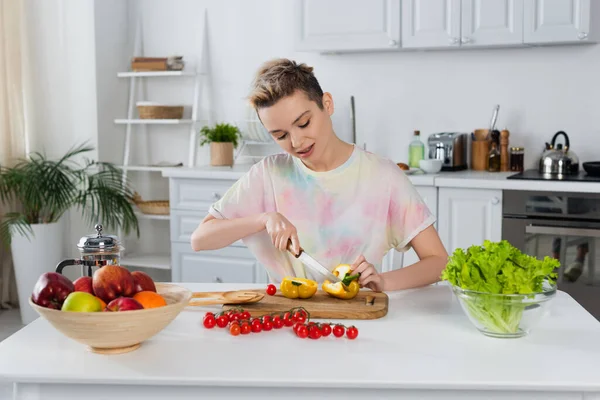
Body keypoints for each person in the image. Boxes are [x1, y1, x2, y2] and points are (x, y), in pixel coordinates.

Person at [190, 58, 448, 292]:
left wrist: (383, 281)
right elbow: (200, 239)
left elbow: (438, 261)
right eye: (280, 136)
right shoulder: (268, 174)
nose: (297, 141)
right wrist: (263, 219)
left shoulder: (384, 176)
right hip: (290, 320)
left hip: (358, 318)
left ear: (327, 104)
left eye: (303, 123)